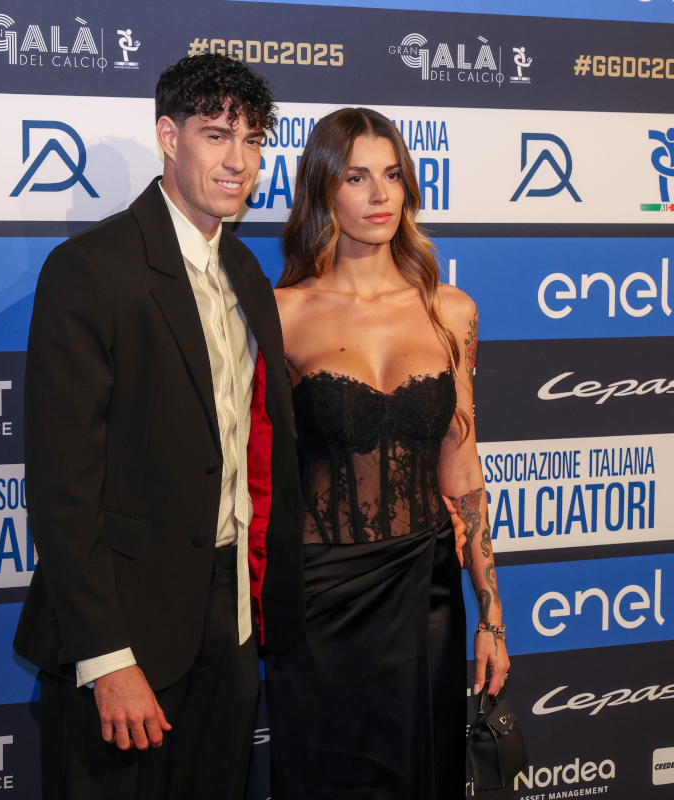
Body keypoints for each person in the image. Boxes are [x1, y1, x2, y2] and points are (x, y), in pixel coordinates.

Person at [13, 54, 306, 800]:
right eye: (216, 135)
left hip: (230, 621)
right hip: (127, 630)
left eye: (252, 140)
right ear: (168, 138)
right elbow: (63, 488)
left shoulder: (246, 272)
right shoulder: (91, 269)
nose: (238, 160)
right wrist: (107, 657)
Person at [266, 107, 510, 798]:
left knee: (423, 775)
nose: (379, 195)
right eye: (356, 177)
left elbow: (462, 469)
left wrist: (491, 618)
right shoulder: (281, 314)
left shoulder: (450, 311)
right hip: (319, 597)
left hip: (426, 587)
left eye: (393, 175)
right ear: (323, 191)